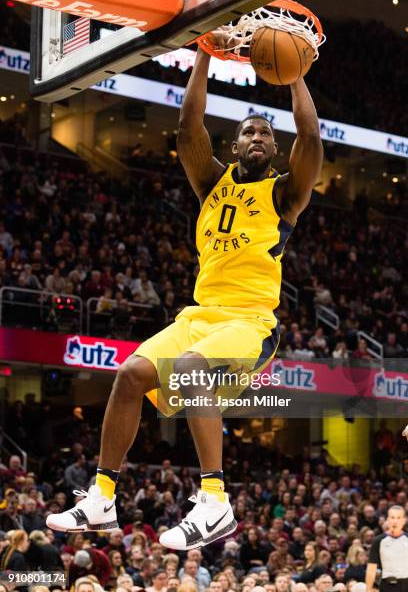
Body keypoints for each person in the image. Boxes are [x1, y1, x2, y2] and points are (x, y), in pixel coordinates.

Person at [46, 35, 323, 551]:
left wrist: (295, 73)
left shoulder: (285, 192)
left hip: (248, 322)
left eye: (265, 132)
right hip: (197, 315)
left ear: (274, 148)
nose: (257, 136)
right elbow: (187, 127)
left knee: (193, 368)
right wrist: (203, 51)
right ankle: (102, 495)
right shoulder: (210, 181)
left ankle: (215, 502)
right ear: (234, 147)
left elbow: (310, 134)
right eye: (247, 132)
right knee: (129, 374)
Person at [365, 505, 408, 592]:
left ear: (404, 520)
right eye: (392, 517)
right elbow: (371, 569)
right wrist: (368, 589)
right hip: (387, 586)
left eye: (398, 518)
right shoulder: (379, 541)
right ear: (388, 519)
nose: (395, 521)